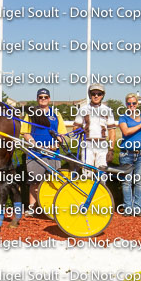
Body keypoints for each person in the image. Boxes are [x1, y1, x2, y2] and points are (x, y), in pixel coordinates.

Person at [20, 88, 68, 217]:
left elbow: (62, 134)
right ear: (37, 99)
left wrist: (56, 144)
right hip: (35, 154)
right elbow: (25, 132)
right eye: (40, 97)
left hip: (53, 154)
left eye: (45, 97)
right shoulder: (31, 114)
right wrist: (35, 145)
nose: (43, 99)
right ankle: (32, 208)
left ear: (49, 99)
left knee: (54, 182)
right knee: (34, 182)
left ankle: (53, 209)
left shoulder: (56, 114)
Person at [118, 93, 141, 216]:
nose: (132, 105)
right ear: (126, 104)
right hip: (127, 154)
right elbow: (126, 132)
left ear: (137, 104)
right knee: (126, 182)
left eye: (134, 103)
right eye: (129, 103)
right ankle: (128, 207)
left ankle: (137, 207)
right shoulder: (123, 118)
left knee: (139, 181)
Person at [73, 84, 116, 169]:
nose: (96, 96)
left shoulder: (107, 110)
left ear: (102, 95)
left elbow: (112, 131)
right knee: (87, 171)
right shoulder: (83, 110)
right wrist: (79, 130)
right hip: (87, 144)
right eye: (93, 94)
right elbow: (75, 128)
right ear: (90, 95)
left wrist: (111, 150)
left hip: (102, 144)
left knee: (101, 172)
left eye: (99, 94)